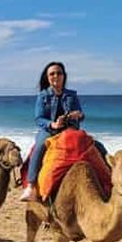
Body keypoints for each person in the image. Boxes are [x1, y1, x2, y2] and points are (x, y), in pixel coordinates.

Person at [20, 61, 84, 201]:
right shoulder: (43, 95)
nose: (56, 76)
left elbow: (81, 114)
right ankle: (30, 186)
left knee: (95, 146)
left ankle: (108, 180)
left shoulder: (72, 95)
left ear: (64, 76)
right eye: (52, 73)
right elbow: (39, 118)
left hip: (69, 130)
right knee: (39, 147)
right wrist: (53, 124)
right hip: (50, 131)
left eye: (59, 73)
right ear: (48, 77)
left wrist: (77, 115)